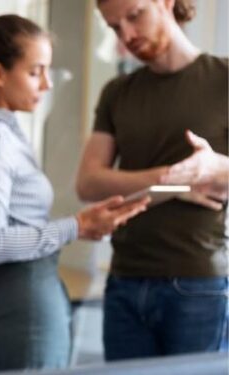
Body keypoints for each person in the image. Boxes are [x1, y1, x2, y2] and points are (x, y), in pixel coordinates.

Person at [0, 15, 148, 371]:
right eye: (35, 72)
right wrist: (77, 226)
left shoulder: (1, 133)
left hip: (20, 301)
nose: (46, 83)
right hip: (16, 311)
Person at [75, 0, 228, 361]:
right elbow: (88, 182)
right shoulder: (117, 92)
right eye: (115, 26)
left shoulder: (224, 79)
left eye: (134, 15)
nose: (127, 35)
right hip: (124, 279)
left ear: (166, 3)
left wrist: (213, 166)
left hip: (198, 284)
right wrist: (171, 182)